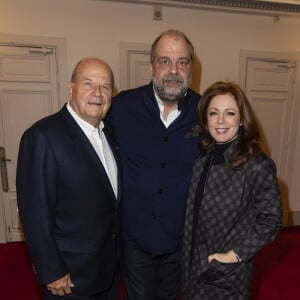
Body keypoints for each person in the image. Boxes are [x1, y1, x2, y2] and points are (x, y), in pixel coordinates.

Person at [16, 57, 121, 300]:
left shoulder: (111, 134)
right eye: (88, 83)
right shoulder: (42, 136)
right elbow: (34, 213)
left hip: (108, 272)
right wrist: (50, 270)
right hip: (69, 279)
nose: (97, 93)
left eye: (105, 87)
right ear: (71, 88)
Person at [110, 29, 201, 299]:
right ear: (152, 65)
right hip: (135, 237)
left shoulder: (204, 110)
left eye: (182, 62)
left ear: (190, 68)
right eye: (165, 61)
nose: (173, 70)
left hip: (180, 239)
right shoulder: (122, 106)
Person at [182, 81, 283, 299]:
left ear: (241, 119)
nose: (220, 121)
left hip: (225, 273)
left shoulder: (257, 164)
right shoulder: (202, 157)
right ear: (205, 118)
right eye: (213, 113)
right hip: (192, 263)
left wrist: (234, 255)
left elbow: (271, 220)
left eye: (229, 113)